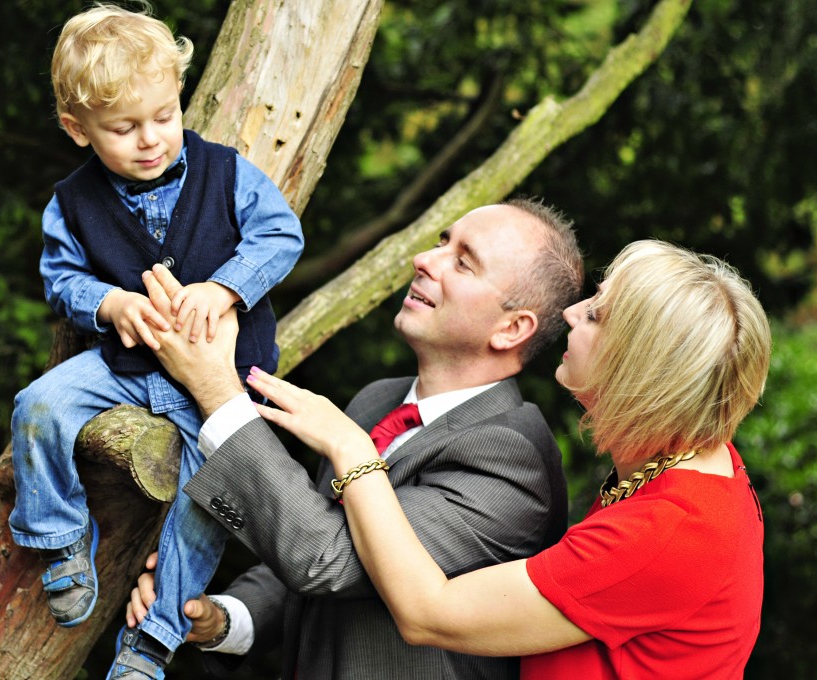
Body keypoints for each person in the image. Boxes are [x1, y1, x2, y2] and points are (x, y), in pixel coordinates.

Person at [242, 240, 771, 679]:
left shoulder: (669, 531)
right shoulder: (695, 461)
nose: (567, 314)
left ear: (641, 367)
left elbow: (430, 613)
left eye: (596, 315)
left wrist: (351, 448)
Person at [131, 200, 584, 679]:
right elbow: (327, 535)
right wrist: (228, 620)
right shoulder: (378, 399)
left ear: (511, 329)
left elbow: (330, 557)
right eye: (441, 244)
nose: (425, 261)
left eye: (464, 262)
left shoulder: (513, 459)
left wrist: (215, 390)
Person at [5, 5, 304, 679]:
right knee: (38, 406)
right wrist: (107, 301)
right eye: (124, 127)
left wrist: (225, 286)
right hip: (121, 365)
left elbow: (281, 235)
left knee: (211, 498)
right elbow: (61, 277)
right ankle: (59, 536)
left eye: (164, 117)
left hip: (216, 385)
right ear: (77, 130)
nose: (150, 139)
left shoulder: (226, 173)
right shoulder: (72, 202)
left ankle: (154, 640)